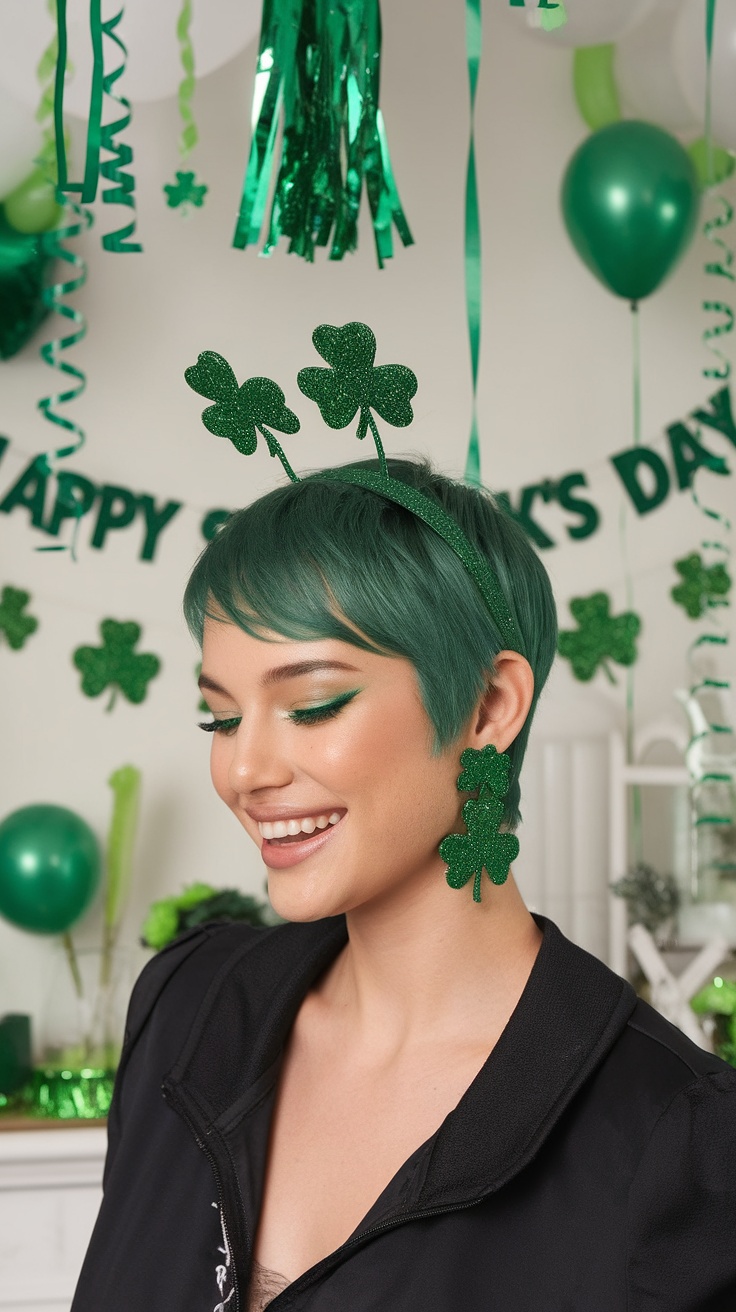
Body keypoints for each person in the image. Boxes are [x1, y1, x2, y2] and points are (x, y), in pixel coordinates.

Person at [71, 349, 736, 1312]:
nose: (244, 769)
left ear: (490, 705)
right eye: (219, 715)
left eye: (313, 704)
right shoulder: (186, 1008)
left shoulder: (679, 1147)